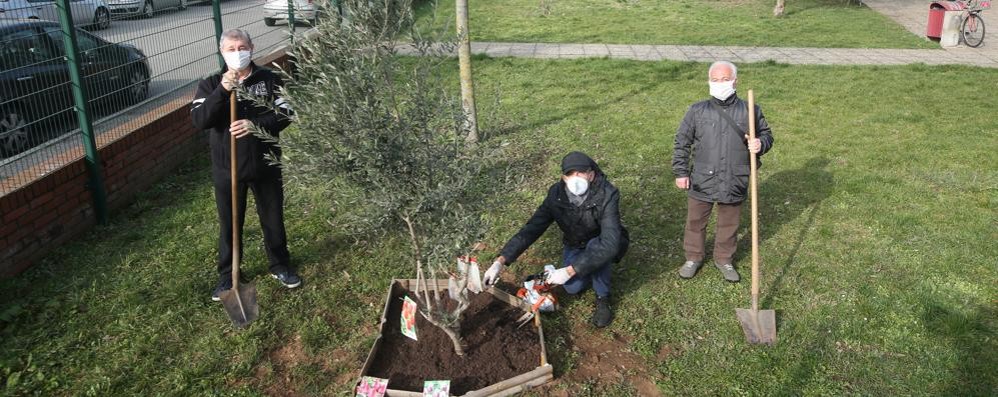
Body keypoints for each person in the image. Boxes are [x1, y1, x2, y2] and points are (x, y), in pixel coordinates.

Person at [191, 28, 302, 301]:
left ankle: (279, 264)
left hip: (266, 162)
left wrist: (257, 126)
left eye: (242, 47)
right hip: (227, 169)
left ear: (252, 47)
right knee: (229, 223)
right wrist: (223, 90)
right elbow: (200, 120)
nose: (237, 53)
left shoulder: (269, 79)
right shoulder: (210, 84)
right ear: (222, 53)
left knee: (273, 217)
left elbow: (287, 112)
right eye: (231, 49)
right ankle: (228, 274)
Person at [482, 152, 629, 328]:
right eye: (570, 174)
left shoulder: (607, 194)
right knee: (573, 287)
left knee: (598, 251)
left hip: (600, 241)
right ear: (563, 177)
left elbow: (610, 242)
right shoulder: (556, 195)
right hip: (574, 243)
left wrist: (570, 270)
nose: (575, 178)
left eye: (580, 173)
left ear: (591, 174)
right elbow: (533, 227)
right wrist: (501, 261)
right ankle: (584, 270)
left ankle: (603, 297)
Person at [672, 61, 774, 282]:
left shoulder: (750, 109)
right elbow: (682, 142)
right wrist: (681, 172)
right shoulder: (697, 110)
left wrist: (760, 143)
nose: (721, 84)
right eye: (715, 80)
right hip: (701, 177)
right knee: (695, 221)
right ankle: (693, 257)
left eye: (725, 79)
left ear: (735, 81)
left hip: (735, 177)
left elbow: (766, 135)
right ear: (709, 82)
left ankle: (724, 259)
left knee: (729, 223)